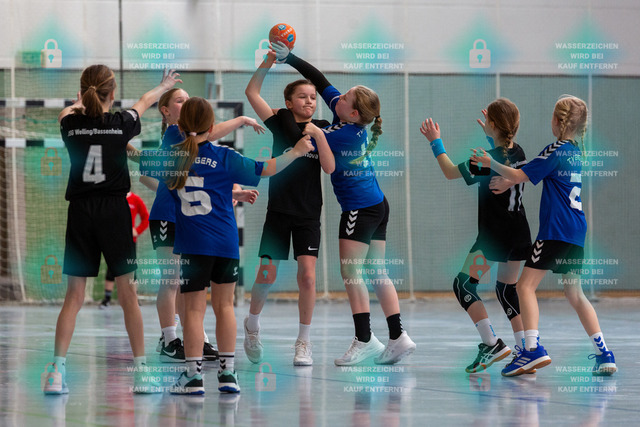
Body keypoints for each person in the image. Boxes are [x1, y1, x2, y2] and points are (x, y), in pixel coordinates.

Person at [273, 41, 416, 365]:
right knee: (376, 270)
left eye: (346, 97)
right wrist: (290, 57)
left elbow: (323, 160)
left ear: (353, 112)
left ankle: (364, 339)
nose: (338, 96)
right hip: (377, 204)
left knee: (351, 273)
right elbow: (320, 79)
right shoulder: (347, 117)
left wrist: (309, 130)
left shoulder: (343, 134)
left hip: (359, 210)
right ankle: (398, 336)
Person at [160, 97, 314, 394]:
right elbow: (266, 168)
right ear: (212, 127)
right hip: (225, 244)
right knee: (225, 307)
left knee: (193, 311)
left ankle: (193, 377)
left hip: (192, 245)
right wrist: (295, 152)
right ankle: (228, 374)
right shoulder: (224, 156)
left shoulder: (172, 158)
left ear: (180, 126)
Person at [43, 65, 180, 395]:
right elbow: (145, 101)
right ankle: (142, 373)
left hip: (81, 212)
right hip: (115, 212)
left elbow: (67, 112)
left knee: (74, 297)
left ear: (82, 92)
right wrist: (165, 85)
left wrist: (80, 102)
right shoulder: (121, 123)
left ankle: (56, 373)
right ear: (113, 93)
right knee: (128, 295)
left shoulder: (70, 124)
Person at [470, 95, 617, 377]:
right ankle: (604, 354)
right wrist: (507, 174)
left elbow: (520, 174)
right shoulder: (575, 152)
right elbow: (521, 175)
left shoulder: (555, 150)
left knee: (524, 287)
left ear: (558, 121)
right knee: (575, 294)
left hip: (555, 232)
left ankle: (531, 349)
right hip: (576, 232)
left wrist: (490, 162)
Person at [142, 88, 263, 363]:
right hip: (167, 216)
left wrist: (235, 193)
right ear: (166, 111)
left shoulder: (193, 146)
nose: (186, 103)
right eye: (180, 100)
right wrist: (241, 120)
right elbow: (212, 132)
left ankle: (194, 340)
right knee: (172, 279)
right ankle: (169, 339)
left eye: (188, 99)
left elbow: (202, 187)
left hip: (188, 219)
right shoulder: (175, 134)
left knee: (187, 286)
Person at [420, 98, 532, 373]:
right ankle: (525, 351)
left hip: (495, 238)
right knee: (506, 289)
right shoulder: (518, 151)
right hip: (519, 233)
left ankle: (492, 343)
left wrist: (435, 141)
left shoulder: (484, 160)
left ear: (492, 124)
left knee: (464, 285)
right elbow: (504, 153)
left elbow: (449, 172)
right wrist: (492, 134)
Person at [243, 50, 334, 366]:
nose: (310, 101)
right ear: (290, 101)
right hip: (279, 212)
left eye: (313, 97)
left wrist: (318, 135)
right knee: (267, 274)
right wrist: (267, 62)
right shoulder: (280, 120)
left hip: (308, 214)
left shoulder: (322, 127)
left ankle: (303, 342)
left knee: (307, 277)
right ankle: (252, 325)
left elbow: (328, 167)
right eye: (303, 97)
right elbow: (251, 93)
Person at [99, 191, 149, 308]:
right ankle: (107, 299)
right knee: (111, 268)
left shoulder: (135, 199)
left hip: (129, 241)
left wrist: (137, 231)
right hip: (114, 239)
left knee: (131, 268)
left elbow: (146, 217)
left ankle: (134, 298)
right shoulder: (112, 198)